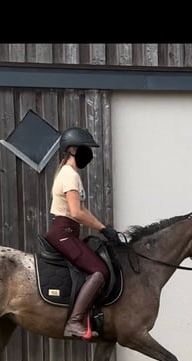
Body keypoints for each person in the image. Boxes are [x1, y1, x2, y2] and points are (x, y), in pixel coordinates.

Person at [46, 127, 121, 340]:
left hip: (68, 231)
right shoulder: (69, 175)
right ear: (71, 150)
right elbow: (76, 212)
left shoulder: (71, 174)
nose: (88, 153)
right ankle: (74, 322)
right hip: (63, 233)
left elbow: (82, 210)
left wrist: (105, 228)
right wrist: (102, 229)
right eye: (84, 149)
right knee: (100, 271)